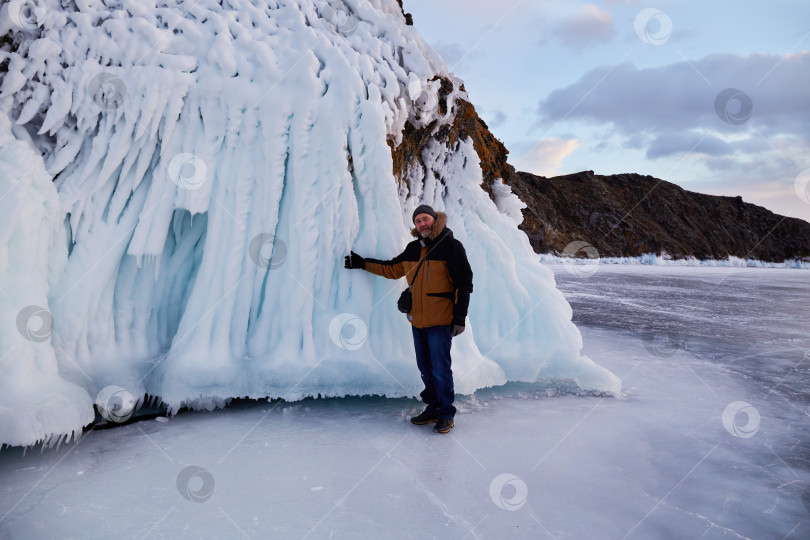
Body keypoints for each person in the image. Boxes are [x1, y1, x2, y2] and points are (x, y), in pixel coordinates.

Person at [343, 205, 473, 434]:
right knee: (425, 367)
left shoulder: (451, 246)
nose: (422, 223)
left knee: (441, 368)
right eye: (418, 221)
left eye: (425, 219)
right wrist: (362, 263)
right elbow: (392, 269)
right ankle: (433, 407)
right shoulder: (413, 248)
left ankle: (445, 413)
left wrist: (459, 317)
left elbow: (464, 282)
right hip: (418, 320)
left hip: (441, 320)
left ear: (435, 219)